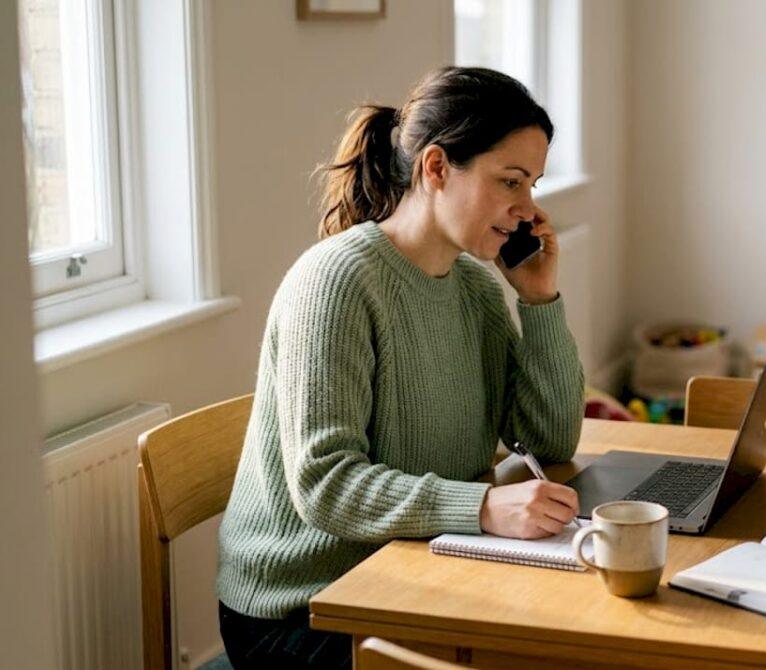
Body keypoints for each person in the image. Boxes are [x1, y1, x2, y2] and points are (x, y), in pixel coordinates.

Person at [215, 66, 585, 669]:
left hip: (416, 567)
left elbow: (548, 439)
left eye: (533, 185)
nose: (527, 209)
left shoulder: (475, 287)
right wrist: (483, 508)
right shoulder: (336, 282)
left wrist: (539, 300)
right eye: (510, 182)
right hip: (304, 607)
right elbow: (325, 485)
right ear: (436, 168)